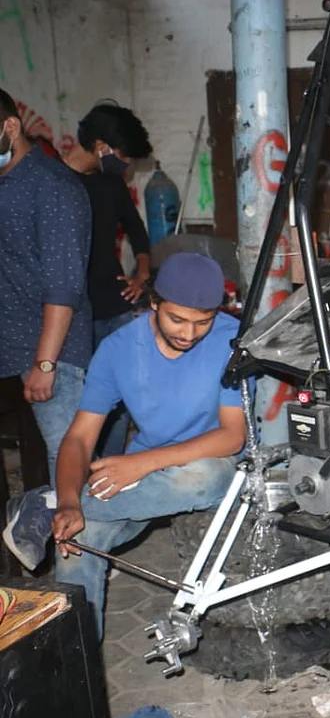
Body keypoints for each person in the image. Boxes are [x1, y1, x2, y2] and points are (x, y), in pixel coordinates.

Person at [2, 253, 247, 637]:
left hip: (208, 462)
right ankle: (80, 672)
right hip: (148, 474)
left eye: (203, 321)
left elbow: (233, 436)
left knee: (206, 478)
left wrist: (142, 464)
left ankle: (45, 500)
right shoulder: (118, 350)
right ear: (153, 302)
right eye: (177, 319)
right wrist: (71, 505)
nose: (189, 333)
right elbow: (80, 437)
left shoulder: (232, 340)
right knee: (79, 541)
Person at [0, 88, 93, 487]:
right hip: (13, 345)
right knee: (42, 469)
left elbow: (63, 286)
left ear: (10, 126)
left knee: (69, 464)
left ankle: (82, 549)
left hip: (51, 353)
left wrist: (44, 364)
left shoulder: (53, 186)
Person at [63, 103, 155, 457]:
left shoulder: (110, 184)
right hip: (71, 312)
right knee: (81, 401)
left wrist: (142, 274)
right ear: (100, 144)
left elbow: (138, 233)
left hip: (113, 305)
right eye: (123, 155)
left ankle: (110, 468)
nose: (127, 164)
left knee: (119, 399)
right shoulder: (55, 183)